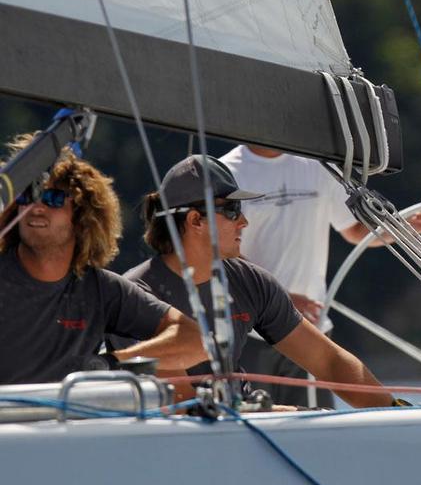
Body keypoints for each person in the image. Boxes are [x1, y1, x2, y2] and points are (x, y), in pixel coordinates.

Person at [128, 154, 394, 408]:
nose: (244, 222)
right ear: (196, 220)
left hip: (238, 421)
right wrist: (287, 413)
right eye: (232, 211)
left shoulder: (250, 281)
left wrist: (395, 409)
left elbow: (328, 361)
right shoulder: (137, 296)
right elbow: (184, 404)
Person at [219, 144, 421, 406]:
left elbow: (356, 231)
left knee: (317, 426)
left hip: (311, 327)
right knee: (254, 420)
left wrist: (406, 228)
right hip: (249, 332)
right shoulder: (225, 173)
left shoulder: (318, 165)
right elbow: (219, 250)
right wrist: (282, 299)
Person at [0, 139, 205, 385]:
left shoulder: (100, 290)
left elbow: (196, 340)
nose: (36, 207)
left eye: (52, 198)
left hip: (70, 420)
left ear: (82, 215)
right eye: (27, 196)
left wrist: (110, 364)